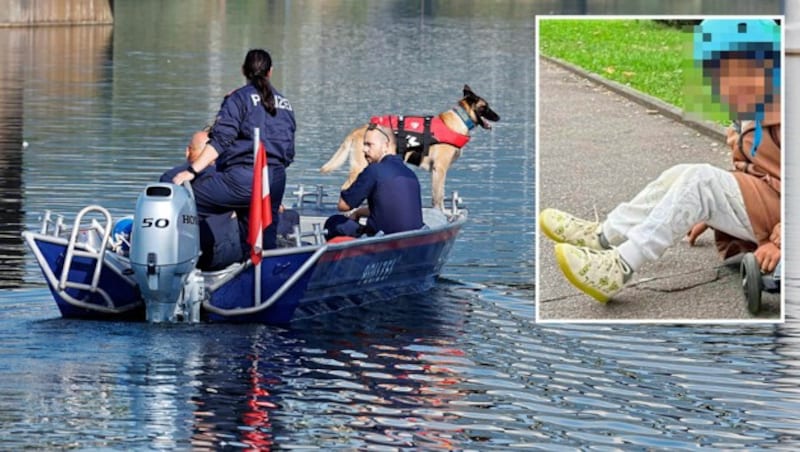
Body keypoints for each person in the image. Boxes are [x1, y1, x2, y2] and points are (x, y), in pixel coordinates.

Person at [539, 18, 781, 304]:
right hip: (769, 202)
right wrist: (718, 209)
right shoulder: (747, 110)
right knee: (684, 174)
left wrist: (781, 242)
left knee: (700, 180)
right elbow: (752, 172)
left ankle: (618, 266)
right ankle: (604, 234)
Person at [169, 48, 296, 257]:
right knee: (263, 241)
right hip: (275, 181)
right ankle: (261, 281)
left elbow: (220, 141)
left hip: (243, 180)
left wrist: (192, 170)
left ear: (243, 70)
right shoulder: (286, 104)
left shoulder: (238, 99)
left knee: (180, 198)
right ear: (270, 72)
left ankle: (177, 259)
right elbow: (288, 152)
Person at [325, 123, 424, 240]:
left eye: (369, 144)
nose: (364, 149)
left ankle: (341, 257)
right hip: (414, 239)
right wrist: (359, 212)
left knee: (334, 222)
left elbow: (343, 206)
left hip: (383, 240)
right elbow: (388, 208)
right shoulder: (410, 173)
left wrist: (357, 178)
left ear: (385, 146)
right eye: (364, 144)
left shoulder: (374, 170)